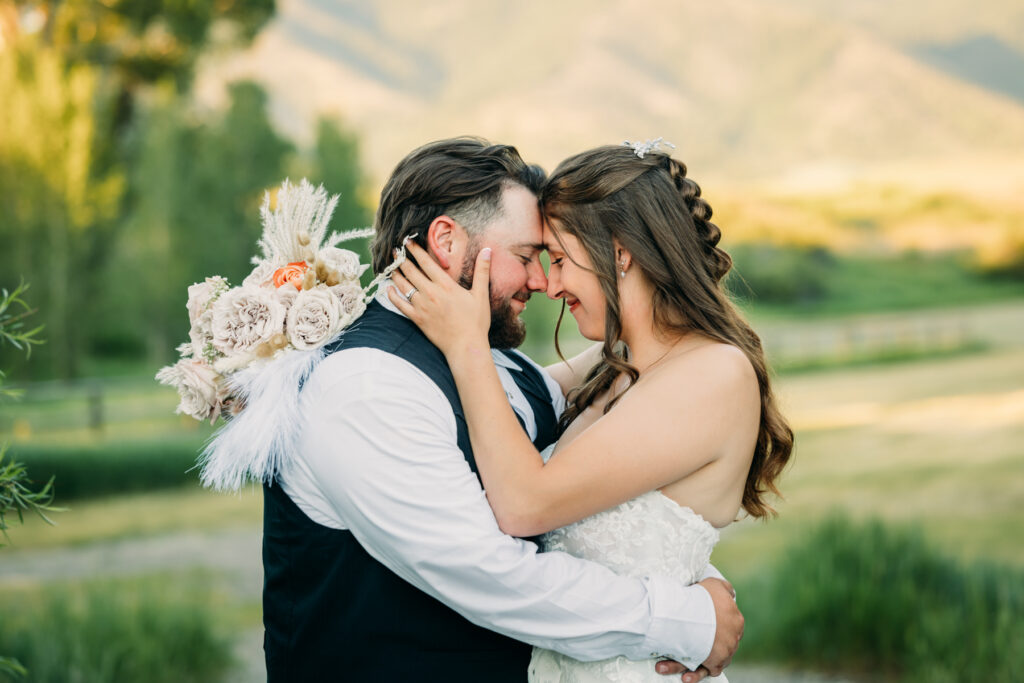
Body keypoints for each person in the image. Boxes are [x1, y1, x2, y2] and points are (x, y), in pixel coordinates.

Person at [261, 138, 744, 682]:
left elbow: (640, 463)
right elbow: (488, 574)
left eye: (554, 258)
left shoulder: (493, 368)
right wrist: (683, 618)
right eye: (528, 257)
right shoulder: (366, 387)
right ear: (446, 240)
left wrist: (684, 566)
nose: (542, 281)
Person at [387, 143, 793, 682]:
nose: (548, 285)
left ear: (620, 251)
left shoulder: (713, 374)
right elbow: (497, 402)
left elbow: (526, 505)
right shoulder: (617, 364)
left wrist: (466, 345)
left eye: (558, 259)